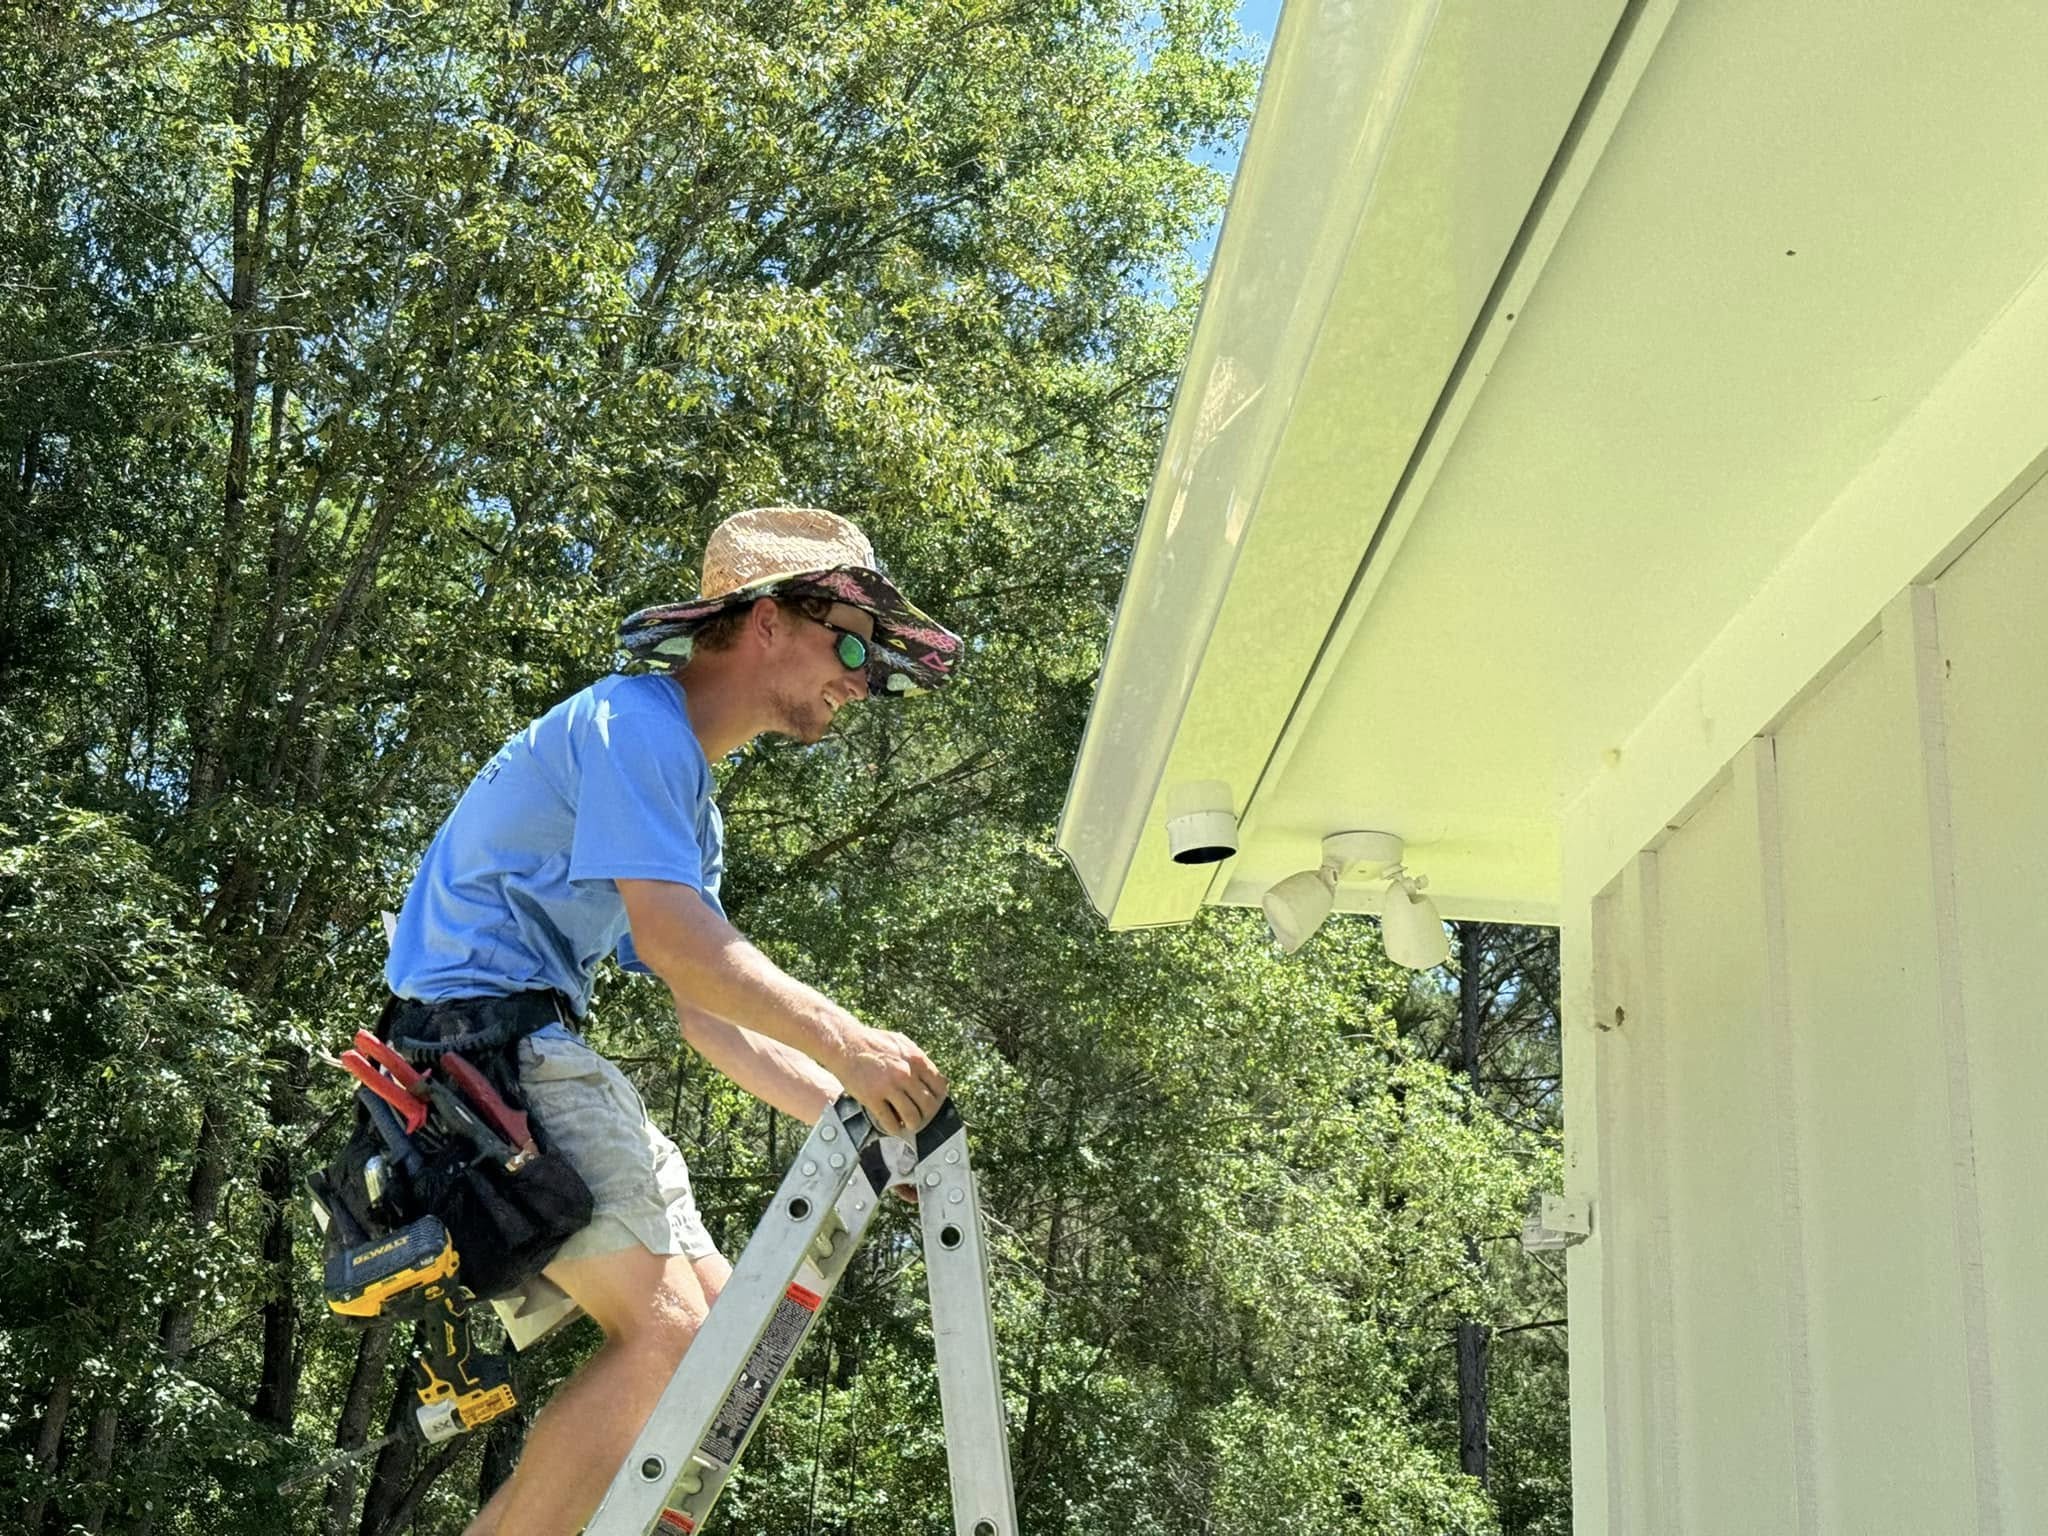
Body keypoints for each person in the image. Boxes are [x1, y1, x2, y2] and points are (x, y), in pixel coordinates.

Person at [380, 505, 963, 1536]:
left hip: (506, 1051)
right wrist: (848, 1043)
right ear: (767, 619)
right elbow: (677, 943)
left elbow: (710, 1016)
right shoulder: (635, 726)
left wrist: (866, 1126)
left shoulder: (683, 790)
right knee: (677, 1340)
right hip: (487, 1052)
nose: (862, 675)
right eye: (851, 640)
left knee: (716, 1338)